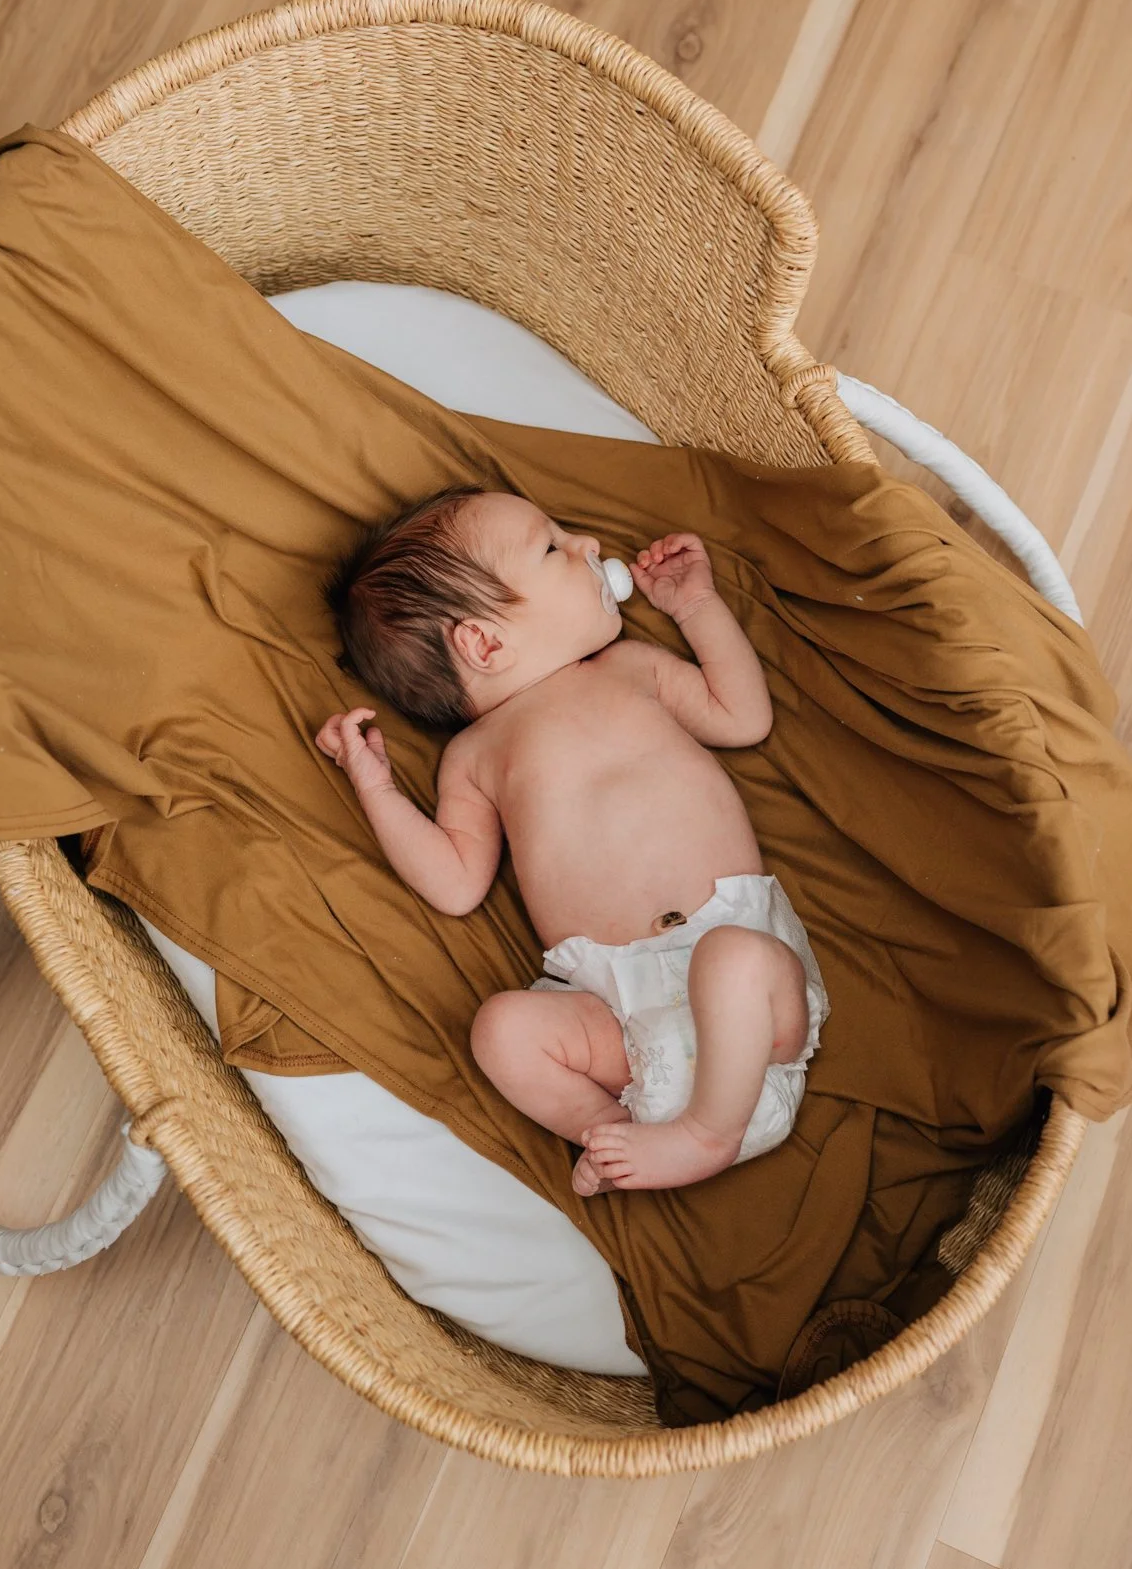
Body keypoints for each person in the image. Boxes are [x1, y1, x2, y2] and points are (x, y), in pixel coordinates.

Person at [316, 486, 827, 1194]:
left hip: (749, 1006)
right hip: (625, 1028)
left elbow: (741, 717)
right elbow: (455, 883)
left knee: (730, 959)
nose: (588, 545)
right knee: (500, 1029)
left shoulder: (631, 670)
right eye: (553, 547)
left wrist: (695, 609)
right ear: (484, 643)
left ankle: (702, 1136)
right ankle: (610, 1136)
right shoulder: (474, 757)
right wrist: (376, 786)